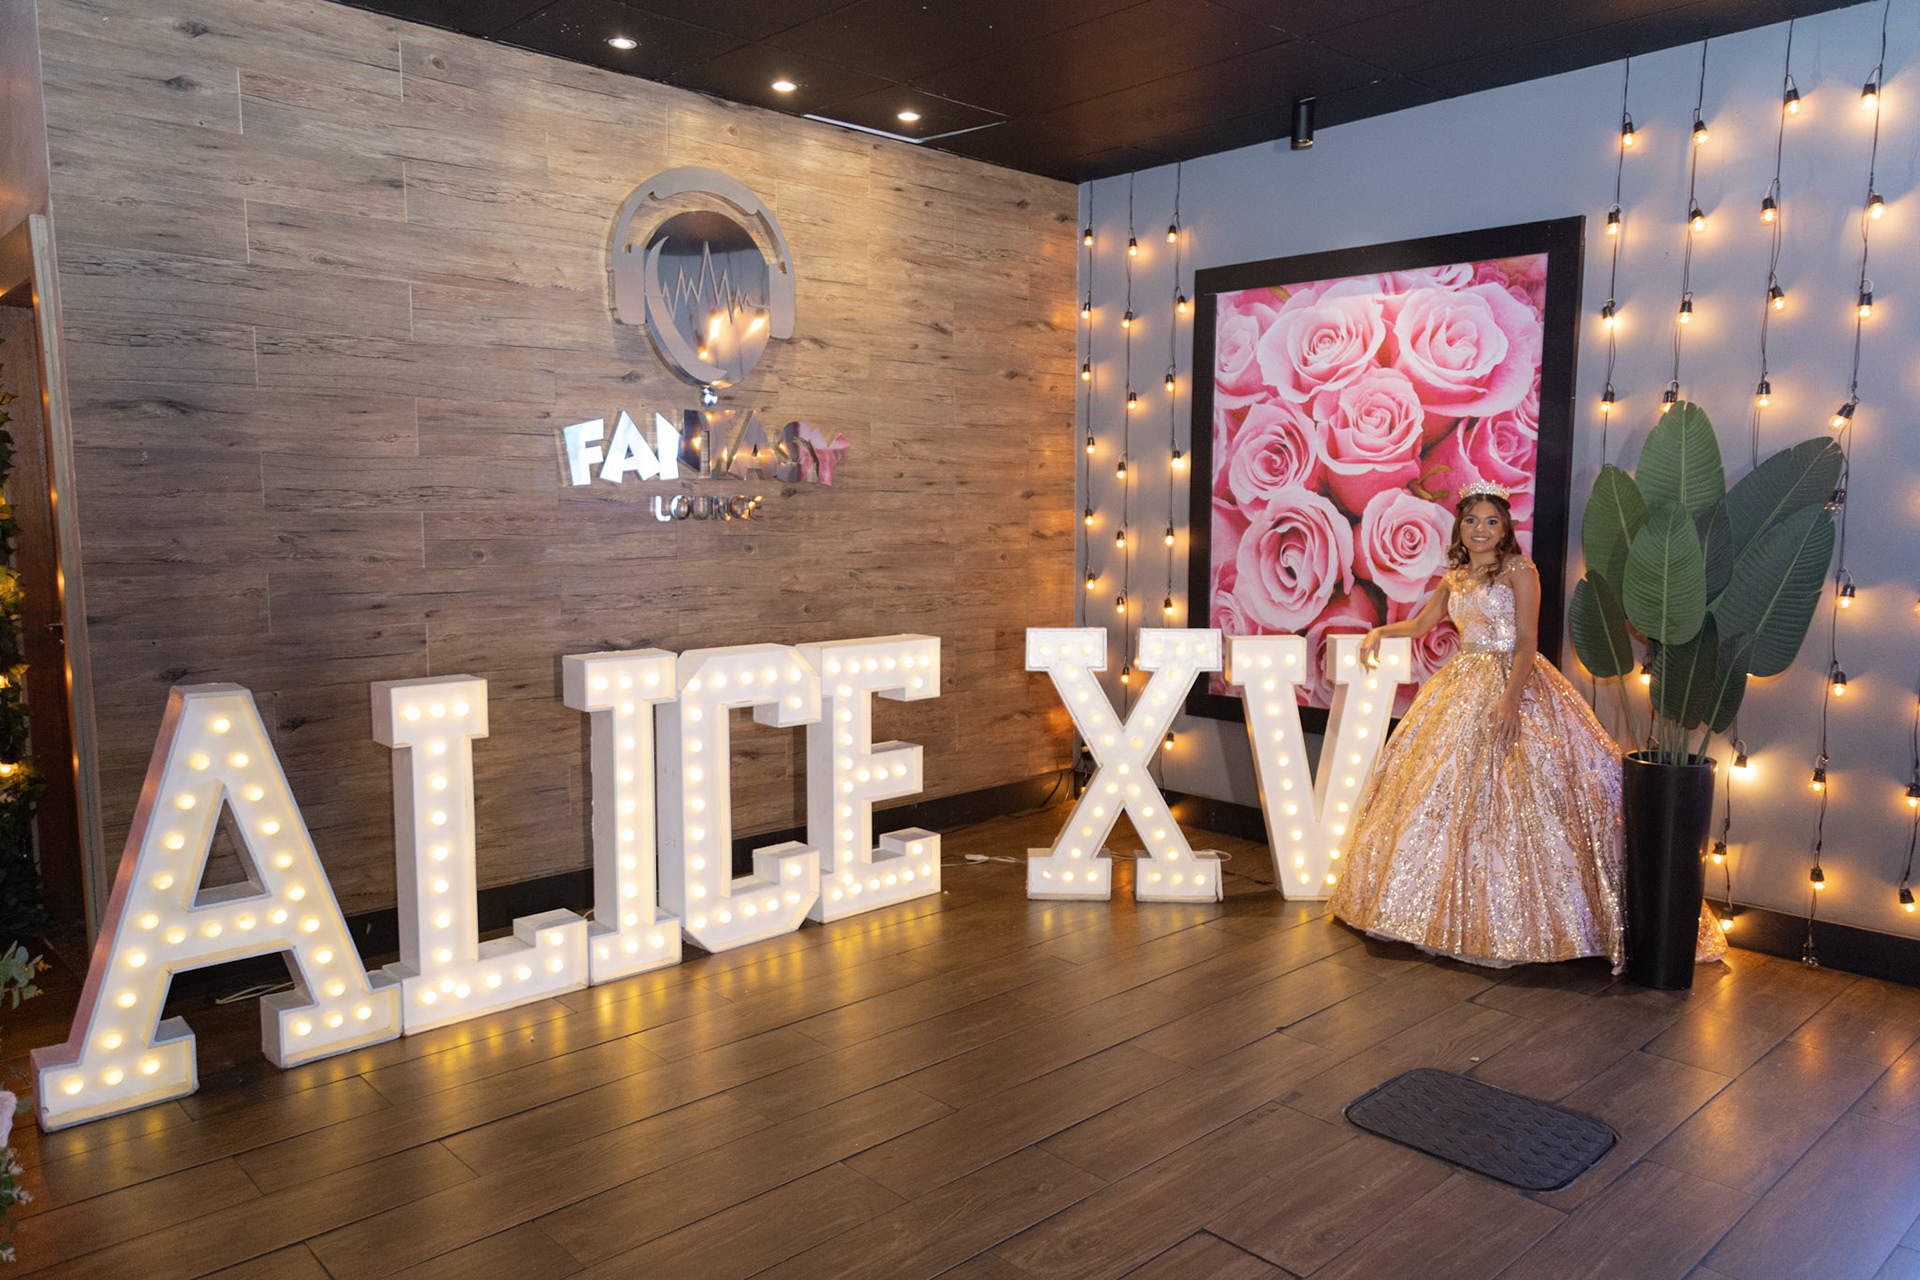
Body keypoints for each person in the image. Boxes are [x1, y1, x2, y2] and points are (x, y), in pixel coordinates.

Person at [1329, 480, 1727, 971]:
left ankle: (1547, 922)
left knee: (1529, 791)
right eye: (1471, 520)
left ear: (1505, 528)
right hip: (1461, 682)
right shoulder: (1455, 576)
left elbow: (1525, 641)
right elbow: (1420, 625)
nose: (1480, 529)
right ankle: (1440, 914)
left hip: (1514, 680)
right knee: (1442, 793)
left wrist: (1510, 699)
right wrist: (1379, 631)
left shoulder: (1520, 569)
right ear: (1460, 526)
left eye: (1491, 521)